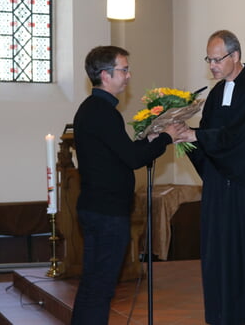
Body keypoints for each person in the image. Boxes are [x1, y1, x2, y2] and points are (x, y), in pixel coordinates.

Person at [71, 45, 185, 325]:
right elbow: (133, 159)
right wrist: (166, 138)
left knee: (92, 285)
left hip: (97, 208)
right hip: (108, 213)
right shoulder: (103, 111)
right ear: (104, 75)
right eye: (123, 69)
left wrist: (149, 139)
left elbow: (119, 152)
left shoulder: (94, 109)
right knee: (101, 288)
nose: (128, 75)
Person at [178, 30, 245, 325]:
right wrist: (185, 140)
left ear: (235, 56)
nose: (211, 65)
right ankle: (222, 314)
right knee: (220, 255)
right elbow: (209, 142)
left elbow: (243, 138)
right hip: (219, 191)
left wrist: (197, 135)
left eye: (216, 59)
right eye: (208, 60)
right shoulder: (214, 95)